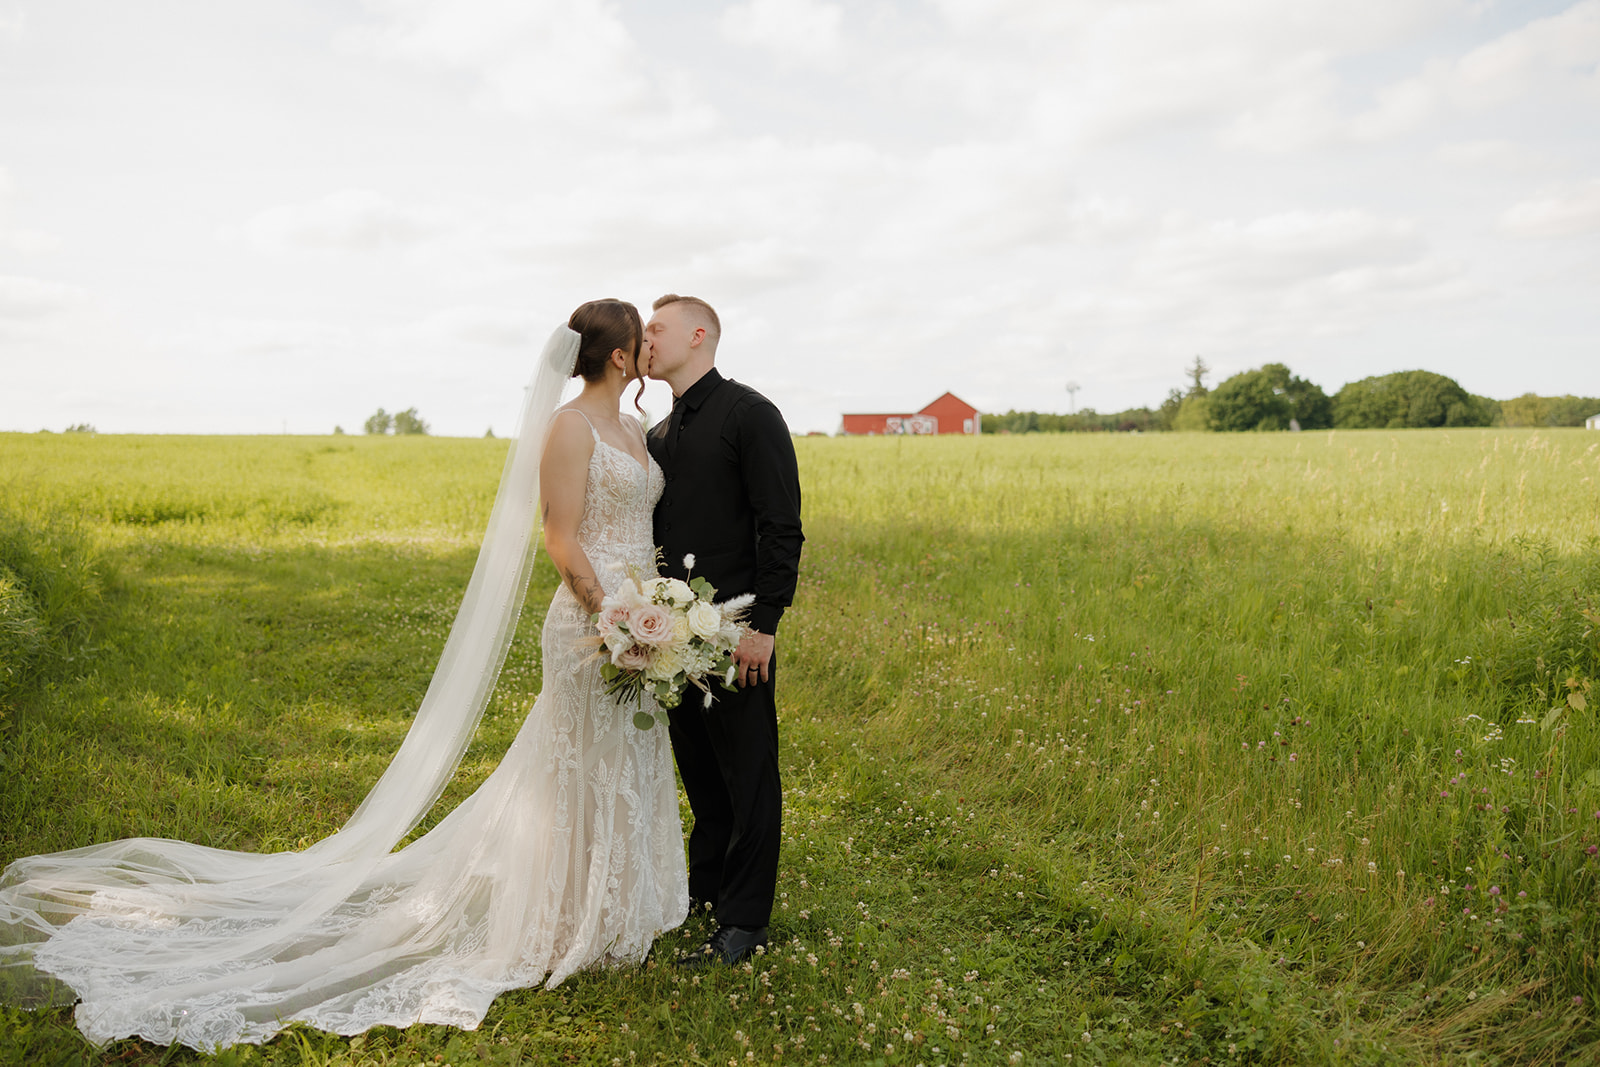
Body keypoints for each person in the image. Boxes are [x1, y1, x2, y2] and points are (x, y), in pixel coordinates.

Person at [0, 299, 689, 1051]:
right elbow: (562, 537)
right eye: (640, 341)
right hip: (593, 624)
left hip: (641, 620)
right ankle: (562, 924)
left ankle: (618, 912)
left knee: (626, 756)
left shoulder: (635, 429)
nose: (650, 349)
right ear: (618, 356)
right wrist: (612, 621)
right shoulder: (570, 426)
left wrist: (658, 617)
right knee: (575, 767)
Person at [643, 294, 804, 967]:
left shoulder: (750, 414)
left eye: (656, 329)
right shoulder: (656, 433)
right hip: (671, 640)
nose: (644, 339)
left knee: (748, 776)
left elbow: (780, 523)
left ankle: (744, 923)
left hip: (737, 631)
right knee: (701, 776)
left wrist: (764, 624)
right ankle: (705, 892)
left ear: (699, 335)